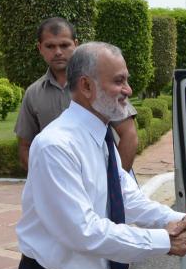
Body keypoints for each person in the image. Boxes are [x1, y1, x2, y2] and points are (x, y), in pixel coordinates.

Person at [17, 41, 186, 269]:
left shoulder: (100, 137)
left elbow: (127, 199)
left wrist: (184, 220)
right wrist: (163, 241)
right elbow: (82, 231)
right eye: (119, 81)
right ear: (86, 86)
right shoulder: (56, 146)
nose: (128, 89)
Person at [14, 17, 138, 171]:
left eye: (64, 45)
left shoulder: (99, 85)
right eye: (50, 46)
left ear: (76, 44)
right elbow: (25, 146)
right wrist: (44, 176)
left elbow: (129, 135)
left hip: (101, 178)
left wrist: (116, 179)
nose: (58, 52)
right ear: (40, 48)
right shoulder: (33, 93)